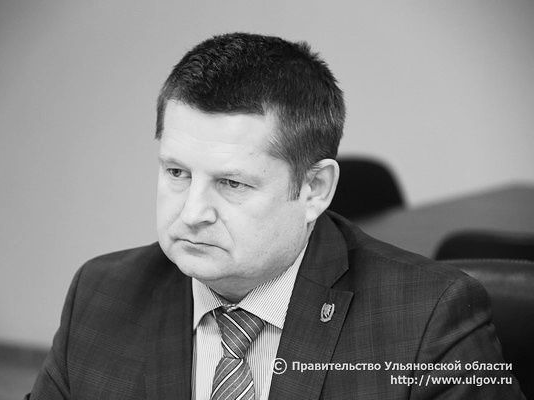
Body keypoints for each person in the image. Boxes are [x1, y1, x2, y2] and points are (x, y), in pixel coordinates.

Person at [26, 33, 524, 399]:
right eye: (177, 172)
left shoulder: (428, 317)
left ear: (314, 188)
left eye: (232, 183)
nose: (193, 213)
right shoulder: (102, 293)